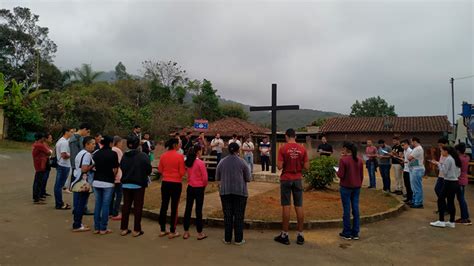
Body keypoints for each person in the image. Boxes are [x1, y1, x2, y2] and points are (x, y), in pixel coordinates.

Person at [274, 128, 309, 246]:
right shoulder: (302, 149)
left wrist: (285, 163)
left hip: (286, 179)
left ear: (286, 136)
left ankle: (284, 235)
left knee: (286, 206)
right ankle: (300, 235)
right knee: (299, 206)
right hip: (297, 179)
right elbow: (307, 166)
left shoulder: (283, 148)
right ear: (295, 136)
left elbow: (279, 166)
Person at [216, 142, 251, 245]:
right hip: (240, 192)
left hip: (225, 192)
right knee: (239, 216)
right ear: (238, 150)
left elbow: (217, 177)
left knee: (227, 215)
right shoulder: (242, 162)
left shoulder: (222, 162)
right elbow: (248, 178)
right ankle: (238, 239)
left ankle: (227, 239)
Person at [120, 135, 152, 237]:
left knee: (126, 207)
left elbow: (122, 167)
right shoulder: (143, 156)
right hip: (138, 185)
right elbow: (149, 170)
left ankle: (124, 228)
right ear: (138, 144)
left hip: (126, 184)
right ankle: (136, 230)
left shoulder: (124, 156)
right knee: (138, 207)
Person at [158, 138, 186, 239]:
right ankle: (172, 231)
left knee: (164, 205)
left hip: (165, 182)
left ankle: (162, 229)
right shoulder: (179, 156)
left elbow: (160, 170)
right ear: (174, 145)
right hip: (176, 183)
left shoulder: (163, 156)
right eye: (178, 144)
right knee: (174, 206)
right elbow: (182, 172)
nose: (179, 146)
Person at [336, 142, 364, 240]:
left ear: (347, 150)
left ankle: (347, 232)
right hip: (356, 187)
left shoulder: (343, 160)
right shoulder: (359, 160)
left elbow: (341, 175)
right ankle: (355, 232)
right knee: (355, 209)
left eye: (343, 149)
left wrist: (337, 171)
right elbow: (361, 175)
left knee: (346, 210)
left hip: (346, 187)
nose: (342, 151)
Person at [92, 136, 119, 235]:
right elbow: (115, 168)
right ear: (111, 143)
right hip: (108, 181)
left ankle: (96, 227)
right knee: (106, 205)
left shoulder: (97, 153)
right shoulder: (113, 154)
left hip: (96, 181)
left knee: (98, 204)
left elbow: (94, 166)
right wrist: (113, 176)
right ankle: (103, 228)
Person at [429, 146, 461, 228]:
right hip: (455, 181)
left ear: (446, 151)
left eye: (442, 151)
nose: (441, 153)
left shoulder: (448, 159)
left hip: (448, 181)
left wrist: (438, 164)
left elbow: (444, 171)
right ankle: (451, 221)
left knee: (441, 199)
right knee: (450, 201)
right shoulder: (455, 159)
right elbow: (458, 172)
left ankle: (441, 220)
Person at [183, 144, 209, 240]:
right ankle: (199, 232)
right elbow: (205, 178)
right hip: (199, 188)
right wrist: (204, 185)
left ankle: (186, 231)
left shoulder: (188, 162)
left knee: (188, 208)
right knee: (198, 210)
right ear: (198, 152)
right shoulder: (200, 163)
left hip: (190, 186)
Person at [71, 136, 95, 232]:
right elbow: (84, 169)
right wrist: (93, 165)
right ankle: (77, 225)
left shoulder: (80, 153)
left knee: (78, 204)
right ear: (86, 144)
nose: (94, 145)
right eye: (92, 143)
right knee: (81, 204)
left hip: (77, 180)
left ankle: (77, 223)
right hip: (83, 182)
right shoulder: (87, 155)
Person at [67, 123, 91, 193]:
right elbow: (74, 155)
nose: (87, 133)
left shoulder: (80, 138)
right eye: (87, 131)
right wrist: (76, 167)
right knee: (77, 188)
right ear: (84, 129)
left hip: (81, 166)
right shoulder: (74, 139)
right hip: (77, 167)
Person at [54, 126, 74, 210]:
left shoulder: (61, 141)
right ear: (66, 132)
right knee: (59, 185)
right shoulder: (64, 142)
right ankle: (59, 203)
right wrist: (72, 155)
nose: (72, 133)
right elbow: (64, 155)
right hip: (63, 165)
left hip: (62, 165)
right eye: (71, 132)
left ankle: (59, 203)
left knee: (59, 185)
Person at [32, 132, 52, 205]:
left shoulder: (36, 144)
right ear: (41, 138)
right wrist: (48, 153)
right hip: (41, 165)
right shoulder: (40, 145)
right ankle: (36, 198)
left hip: (38, 164)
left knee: (37, 181)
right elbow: (49, 152)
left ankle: (37, 196)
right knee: (38, 182)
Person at [454, 143, 471, 225]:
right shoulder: (467, 157)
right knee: (461, 199)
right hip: (464, 179)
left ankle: (464, 217)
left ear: (458, 151)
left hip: (459, 180)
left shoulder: (459, 158)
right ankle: (465, 217)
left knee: (461, 199)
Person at [110, 136, 125, 221]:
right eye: (121, 143)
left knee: (111, 195)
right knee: (119, 195)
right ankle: (115, 212)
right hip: (118, 175)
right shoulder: (118, 150)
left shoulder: (111, 149)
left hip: (111, 175)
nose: (122, 144)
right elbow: (120, 163)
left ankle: (110, 212)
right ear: (117, 142)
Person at [408, 137, 425, 209]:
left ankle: (418, 202)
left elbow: (410, 157)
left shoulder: (418, 148)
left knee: (417, 187)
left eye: (412, 142)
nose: (411, 143)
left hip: (417, 169)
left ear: (414, 141)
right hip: (414, 168)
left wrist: (410, 158)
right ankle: (415, 201)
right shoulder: (417, 148)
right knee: (414, 186)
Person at [434, 138, 449, 211]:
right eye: (439, 145)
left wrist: (438, 164)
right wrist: (438, 165)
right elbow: (441, 162)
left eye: (441, 145)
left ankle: (444, 208)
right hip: (441, 175)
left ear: (446, 144)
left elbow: (446, 164)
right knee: (437, 189)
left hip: (445, 176)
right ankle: (442, 206)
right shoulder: (441, 152)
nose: (439, 147)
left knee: (443, 192)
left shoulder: (449, 153)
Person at [400, 139, 413, 205]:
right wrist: (402, 160)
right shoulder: (405, 151)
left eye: (403, 145)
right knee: (406, 185)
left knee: (409, 185)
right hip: (405, 169)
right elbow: (405, 159)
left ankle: (411, 199)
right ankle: (408, 198)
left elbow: (413, 161)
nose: (402, 146)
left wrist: (406, 161)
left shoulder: (410, 151)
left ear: (407, 144)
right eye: (401, 145)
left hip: (409, 170)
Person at [41, 133, 54, 198]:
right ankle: (41, 192)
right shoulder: (43, 146)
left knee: (45, 178)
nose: (51, 139)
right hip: (44, 163)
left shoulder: (47, 145)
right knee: (43, 178)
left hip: (48, 163)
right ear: (46, 139)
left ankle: (43, 191)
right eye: (50, 138)